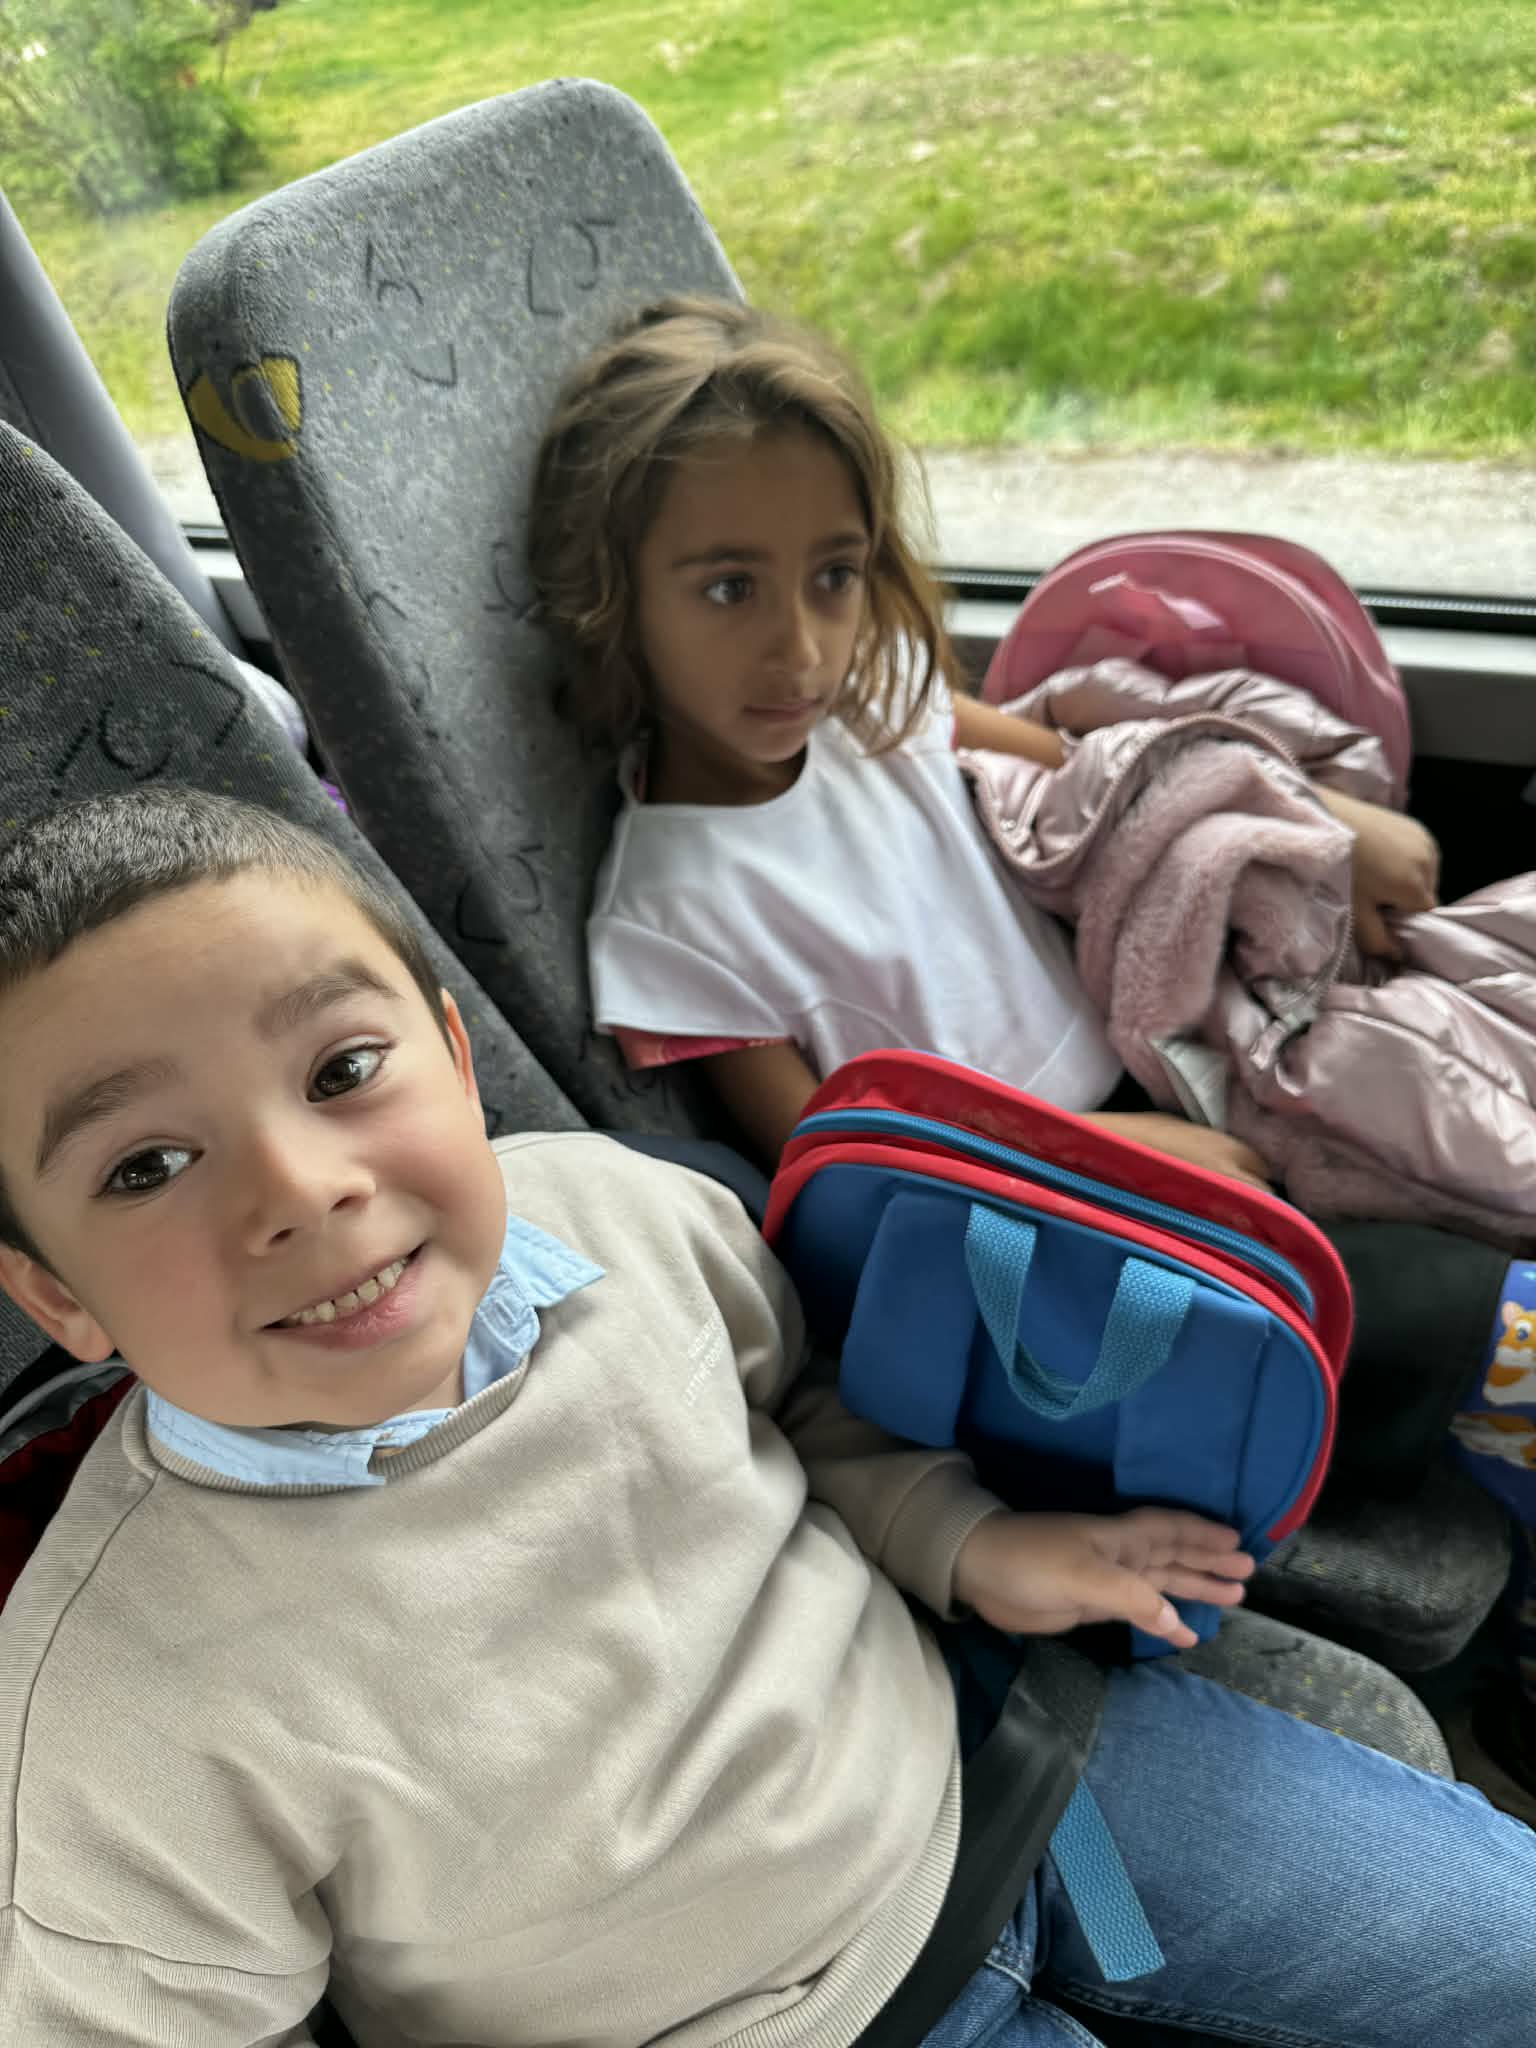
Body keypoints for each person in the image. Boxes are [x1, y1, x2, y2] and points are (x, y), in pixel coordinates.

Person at [0, 787, 1531, 2047]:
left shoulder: (620, 1212)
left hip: (1024, 1783)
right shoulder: (109, 1705)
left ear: (458, 1066)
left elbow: (796, 1402)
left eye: (344, 1069)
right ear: (60, 1297)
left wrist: (968, 1542)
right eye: (147, 1167)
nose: (303, 1189)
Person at [528, 294, 1536, 1798]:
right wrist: (1123, 1157)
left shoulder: (881, 708)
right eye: (728, 587)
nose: (800, 645)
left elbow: (1111, 784)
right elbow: (842, 1180)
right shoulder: (674, 919)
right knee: (1508, 1322)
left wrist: (1320, 824)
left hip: (1190, 1064)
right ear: (617, 601)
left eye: (835, 576)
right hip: (1079, 1238)